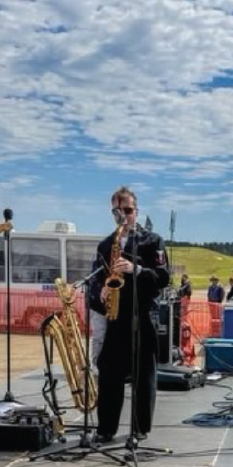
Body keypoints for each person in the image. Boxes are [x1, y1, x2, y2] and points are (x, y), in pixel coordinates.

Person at [87, 186, 170, 443]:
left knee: (143, 375)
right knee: (109, 373)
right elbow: (96, 278)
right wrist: (99, 290)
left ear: (136, 210)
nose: (123, 215)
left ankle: (139, 428)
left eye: (128, 210)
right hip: (114, 316)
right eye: (117, 211)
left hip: (143, 314)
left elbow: (163, 278)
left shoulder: (152, 240)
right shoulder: (105, 245)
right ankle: (106, 427)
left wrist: (136, 268)